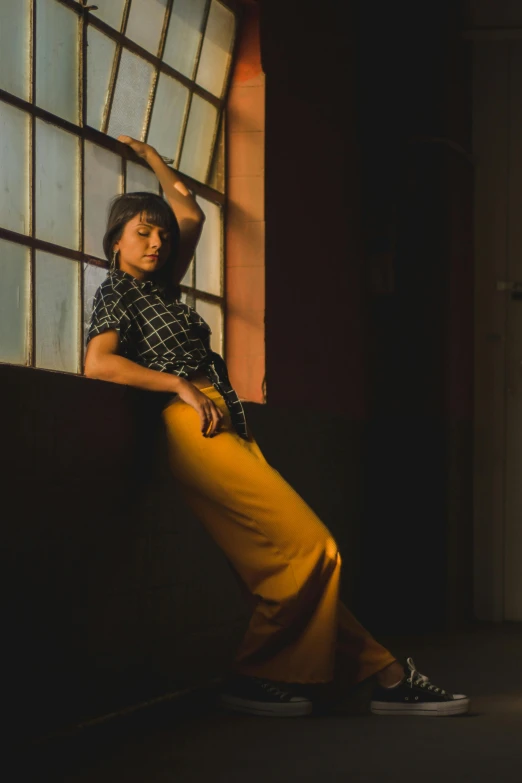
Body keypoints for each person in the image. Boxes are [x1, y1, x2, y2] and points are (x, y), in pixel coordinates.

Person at [84, 134, 470, 719]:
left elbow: (188, 209)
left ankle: (386, 674)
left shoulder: (162, 286)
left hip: (226, 425)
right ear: (115, 242)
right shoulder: (117, 292)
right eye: (143, 232)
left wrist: (152, 158)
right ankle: (254, 672)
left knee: (283, 563)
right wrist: (179, 385)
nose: (158, 240)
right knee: (313, 548)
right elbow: (99, 362)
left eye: (160, 234)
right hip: (192, 426)